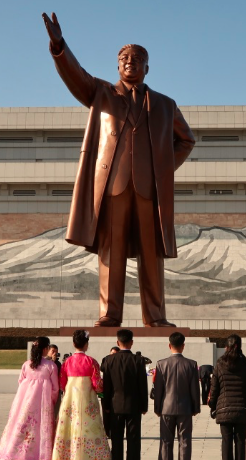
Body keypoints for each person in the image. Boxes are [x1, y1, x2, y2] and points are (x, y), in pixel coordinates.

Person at [42, 12, 196, 328]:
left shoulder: (165, 104)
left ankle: (155, 316)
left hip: (148, 191)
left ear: (147, 67)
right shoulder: (102, 94)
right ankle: (110, 313)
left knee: (152, 255)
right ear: (117, 65)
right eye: (125, 57)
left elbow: (186, 140)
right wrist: (59, 45)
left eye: (138, 58)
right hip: (113, 186)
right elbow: (76, 75)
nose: (131, 62)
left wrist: (163, 170)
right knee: (110, 254)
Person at [0, 337, 59, 460]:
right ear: (45, 349)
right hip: (41, 407)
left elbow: (21, 383)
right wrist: (50, 403)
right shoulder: (50, 366)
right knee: (39, 434)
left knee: (20, 432)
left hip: (24, 405)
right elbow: (55, 389)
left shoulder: (27, 365)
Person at [49, 330, 111, 460]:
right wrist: (103, 392)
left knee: (68, 432)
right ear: (86, 344)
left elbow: (62, 384)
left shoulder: (67, 362)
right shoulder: (92, 362)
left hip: (70, 402)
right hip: (88, 403)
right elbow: (97, 385)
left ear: (73, 344)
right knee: (89, 431)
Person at [208, 334, 246, 460]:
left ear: (226, 347)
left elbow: (214, 388)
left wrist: (212, 405)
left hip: (224, 408)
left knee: (226, 441)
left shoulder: (220, 364)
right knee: (241, 441)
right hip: (243, 408)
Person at [102, 329, 148, 460]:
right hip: (134, 406)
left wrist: (106, 404)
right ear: (132, 342)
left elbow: (106, 387)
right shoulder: (139, 361)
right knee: (134, 441)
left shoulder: (109, 361)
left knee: (116, 440)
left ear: (117, 342)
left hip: (115, 407)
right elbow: (143, 385)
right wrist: (144, 405)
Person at [153, 332, 200, 460]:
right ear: (183, 346)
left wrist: (157, 407)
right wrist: (195, 408)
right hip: (185, 408)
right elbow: (194, 389)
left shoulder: (161, 364)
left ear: (169, 345)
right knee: (185, 441)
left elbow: (158, 389)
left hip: (166, 408)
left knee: (166, 441)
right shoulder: (191, 364)